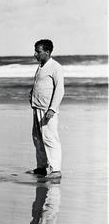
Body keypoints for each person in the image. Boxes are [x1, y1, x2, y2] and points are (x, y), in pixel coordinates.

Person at [29, 39, 64, 179]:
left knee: (50, 138)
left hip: (47, 110)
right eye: (35, 51)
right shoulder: (41, 66)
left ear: (47, 52)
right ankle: (41, 167)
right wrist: (32, 93)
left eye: (38, 51)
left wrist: (53, 108)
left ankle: (56, 170)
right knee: (37, 138)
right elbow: (40, 83)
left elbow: (60, 89)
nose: (35, 54)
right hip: (37, 107)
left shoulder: (55, 67)